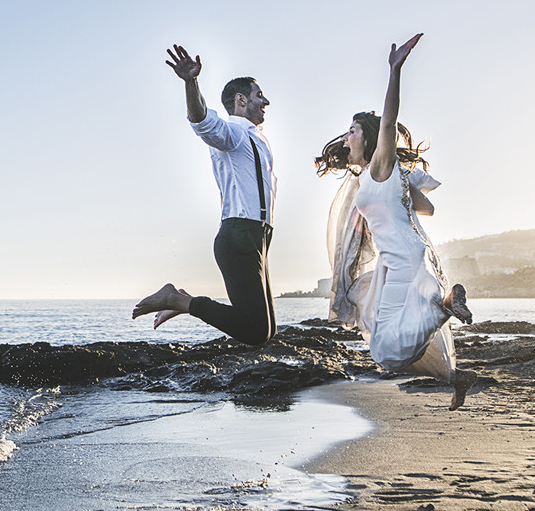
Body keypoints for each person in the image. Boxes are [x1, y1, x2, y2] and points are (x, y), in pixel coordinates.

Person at [314, 33, 477, 410]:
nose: (348, 134)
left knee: (387, 353)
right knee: (386, 341)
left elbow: (387, 123)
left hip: (403, 259)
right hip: (400, 259)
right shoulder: (382, 177)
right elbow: (427, 210)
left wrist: (394, 70)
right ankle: (455, 376)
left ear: (371, 140)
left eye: (354, 129)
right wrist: (401, 189)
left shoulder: (381, 168)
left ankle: (445, 305)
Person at [132, 44, 277, 345]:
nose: (266, 101)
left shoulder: (257, 140)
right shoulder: (233, 133)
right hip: (239, 234)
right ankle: (178, 300)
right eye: (258, 95)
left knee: (267, 332)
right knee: (255, 332)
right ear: (240, 100)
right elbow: (200, 119)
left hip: (259, 236)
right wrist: (190, 82)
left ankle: (182, 300)